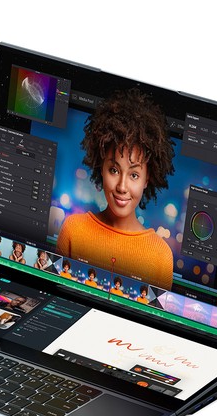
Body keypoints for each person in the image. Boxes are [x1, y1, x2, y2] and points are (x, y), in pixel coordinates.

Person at [56, 88, 175, 290]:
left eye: (134, 175)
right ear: (101, 168)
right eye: (114, 170)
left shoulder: (161, 256)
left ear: (147, 179)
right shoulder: (73, 230)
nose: (122, 186)